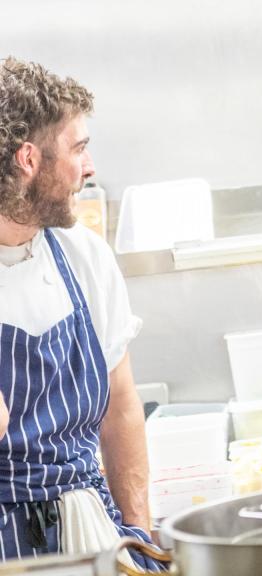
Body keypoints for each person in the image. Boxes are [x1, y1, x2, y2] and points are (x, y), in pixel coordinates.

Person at [0, 57, 161, 568]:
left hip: (90, 530)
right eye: (78, 148)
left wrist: (138, 533)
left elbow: (121, 403)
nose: (89, 169)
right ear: (29, 159)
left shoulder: (83, 256)